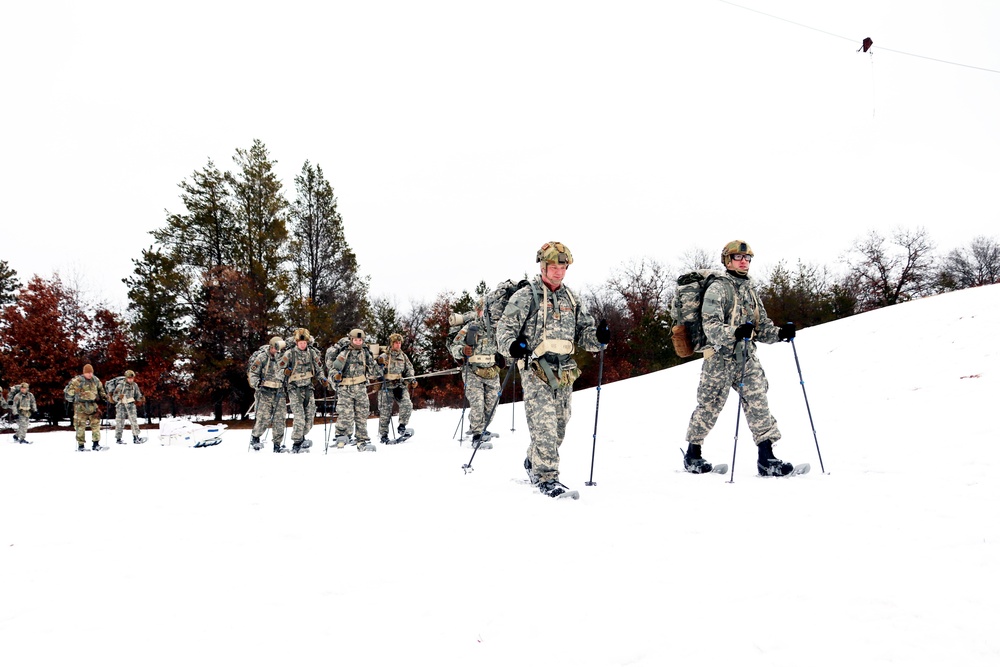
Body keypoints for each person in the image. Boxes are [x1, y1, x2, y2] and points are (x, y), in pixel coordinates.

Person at [496, 241, 610, 498]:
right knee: (544, 427)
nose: (558, 271)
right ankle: (547, 477)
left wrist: (600, 337)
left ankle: (532, 461)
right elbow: (504, 331)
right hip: (536, 369)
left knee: (559, 426)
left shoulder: (571, 297)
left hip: (565, 371)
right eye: (553, 266)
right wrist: (513, 346)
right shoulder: (526, 296)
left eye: (563, 266)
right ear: (542, 266)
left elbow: (585, 333)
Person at [682, 240, 797, 476]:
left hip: (746, 358)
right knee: (710, 406)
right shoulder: (718, 288)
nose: (744, 262)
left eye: (747, 258)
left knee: (758, 404)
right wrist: (734, 332)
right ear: (727, 260)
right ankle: (693, 453)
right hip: (719, 359)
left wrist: (780, 334)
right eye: (738, 258)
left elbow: (761, 326)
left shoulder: (750, 289)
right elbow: (710, 327)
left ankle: (766, 457)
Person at [449, 299, 503, 448]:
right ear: (478, 312)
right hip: (472, 371)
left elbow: (505, 345)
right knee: (477, 403)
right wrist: (462, 350)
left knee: (491, 406)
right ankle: (477, 435)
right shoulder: (470, 328)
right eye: (483, 310)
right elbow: (455, 346)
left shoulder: (497, 329)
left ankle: (479, 427)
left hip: (492, 372)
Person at [329, 328, 382, 451]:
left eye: (360, 340)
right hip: (345, 389)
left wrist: (379, 364)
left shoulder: (365, 353)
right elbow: (333, 370)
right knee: (345, 414)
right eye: (356, 340)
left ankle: (362, 440)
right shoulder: (344, 353)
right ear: (351, 339)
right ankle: (341, 435)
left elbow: (374, 371)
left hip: (361, 388)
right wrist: (335, 378)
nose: (358, 342)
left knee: (362, 414)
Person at [277, 328, 328, 453]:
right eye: (300, 342)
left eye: (304, 342)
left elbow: (319, 368)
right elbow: (278, 372)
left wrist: (323, 379)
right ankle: (297, 442)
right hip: (294, 388)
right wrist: (285, 372)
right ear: (296, 342)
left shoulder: (312, 353)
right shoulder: (289, 354)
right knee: (299, 417)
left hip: (308, 388)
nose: (302, 344)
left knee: (310, 416)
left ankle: (302, 436)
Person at [247, 336, 288, 452]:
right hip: (264, 392)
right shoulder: (262, 357)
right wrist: (257, 383)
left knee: (280, 419)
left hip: (279, 392)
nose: (278, 351)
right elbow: (253, 373)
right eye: (276, 349)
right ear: (271, 347)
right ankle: (255, 437)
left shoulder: (283, 358)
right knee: (263, 418)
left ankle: (277, 444)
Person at [376, 332, 416, 444]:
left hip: (399, 385)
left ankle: (402, 426)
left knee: (407, 404)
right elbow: (375, 371)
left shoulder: (403, 357)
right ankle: (383, 435)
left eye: (399, 343)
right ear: (391, 344)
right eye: (396, 343)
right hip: (386, 386)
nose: (398, 345)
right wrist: (380, 370)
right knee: (385, 412)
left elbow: (409, 369)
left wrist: (411, 379)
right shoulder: (384, 356)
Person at [66, 363, 110, 451]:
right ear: (84, 373)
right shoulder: (77, 381)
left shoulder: (95, 380)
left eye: (91, 372)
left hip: (92, 405)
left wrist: (106, 398)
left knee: (96, 424)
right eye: (88, 373)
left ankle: (96, 444)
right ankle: (81, 445)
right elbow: (68, 392)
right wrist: (75, 391)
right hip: (80, 406)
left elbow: (101, 390)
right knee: (80, 426)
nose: (90, 374)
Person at [112, 370, 146, 444]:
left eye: (132, 378)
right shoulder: (120, 385)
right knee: (120, 422)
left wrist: (141, 398)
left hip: (131, 405)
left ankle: (136, 437)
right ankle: (118, 438)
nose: (131, 379)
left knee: (134, 421)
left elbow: (137, 396)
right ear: (126, 378)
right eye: (129, 378)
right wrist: (118, 397)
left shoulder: (134, 385)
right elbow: (114, 397)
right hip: (121, 405)